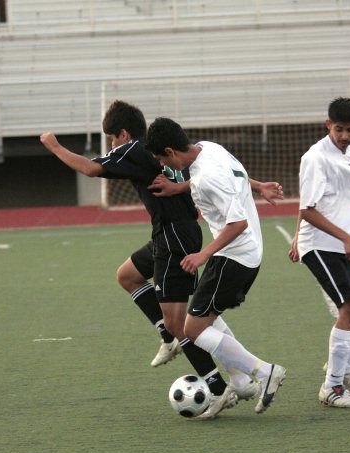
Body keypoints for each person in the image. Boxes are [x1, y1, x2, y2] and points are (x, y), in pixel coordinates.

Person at [41, 101, 283, 418]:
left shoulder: (132, 150)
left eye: (112, 139)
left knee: (186, 323)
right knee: (127, 276)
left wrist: (54, 145)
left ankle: (221, 387)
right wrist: (255, 185)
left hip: (177, 239)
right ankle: (181, 344)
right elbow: (219, 175)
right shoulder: (193, 149)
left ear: (124, 134)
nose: (112, 146)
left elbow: (89, 168)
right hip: (171, 234)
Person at [146, 117, 287, 414]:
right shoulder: (209, 149)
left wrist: (203, 255)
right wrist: (259, 186)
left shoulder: (206, 175)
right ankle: (239, 380)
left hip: (234, 255)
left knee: (193, 328)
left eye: (161, 158)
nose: (162, 164)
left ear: (171, 151)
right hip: (243, 253)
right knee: (209, 318)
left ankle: (264, 371)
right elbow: (234, 176)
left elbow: (238, 222)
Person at [289, 97, 350, 408]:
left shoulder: (348, 152)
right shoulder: (317, 157)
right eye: (338, 129)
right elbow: (310, 208)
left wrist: (296, 234)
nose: (343, 135)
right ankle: (332, 387)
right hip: (323, 244)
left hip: (344, 244)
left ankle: (343, 367)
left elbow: (316, 198)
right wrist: (309, 237)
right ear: (328, 124)